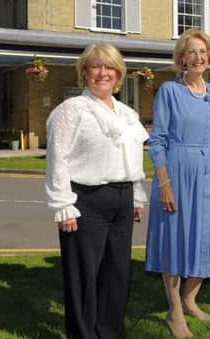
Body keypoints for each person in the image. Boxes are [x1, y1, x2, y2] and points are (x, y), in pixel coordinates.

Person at [45, 42, 149, 338]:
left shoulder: (127, 114)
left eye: (110, 67)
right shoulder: (72, 110)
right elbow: (58, 158)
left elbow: (132, 157)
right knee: (84, 277)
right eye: (96, 66)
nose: (103, 73)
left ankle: (109, 332)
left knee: (117, 273)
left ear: (119, 74)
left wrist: (137, 196)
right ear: (84, 73)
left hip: (122, 198)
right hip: (85, 201)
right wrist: (63, 204)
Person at [145, 29, 210, 338]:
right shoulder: (169, 91)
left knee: (204, 237)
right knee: (175, 241)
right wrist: (164, 182)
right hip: (177, 173)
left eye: (203, 51)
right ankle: (174, 312)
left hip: (207, 171)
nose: (198, 56)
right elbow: (157, 141)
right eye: (191, 51)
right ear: (182, 58)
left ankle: (190, 299)